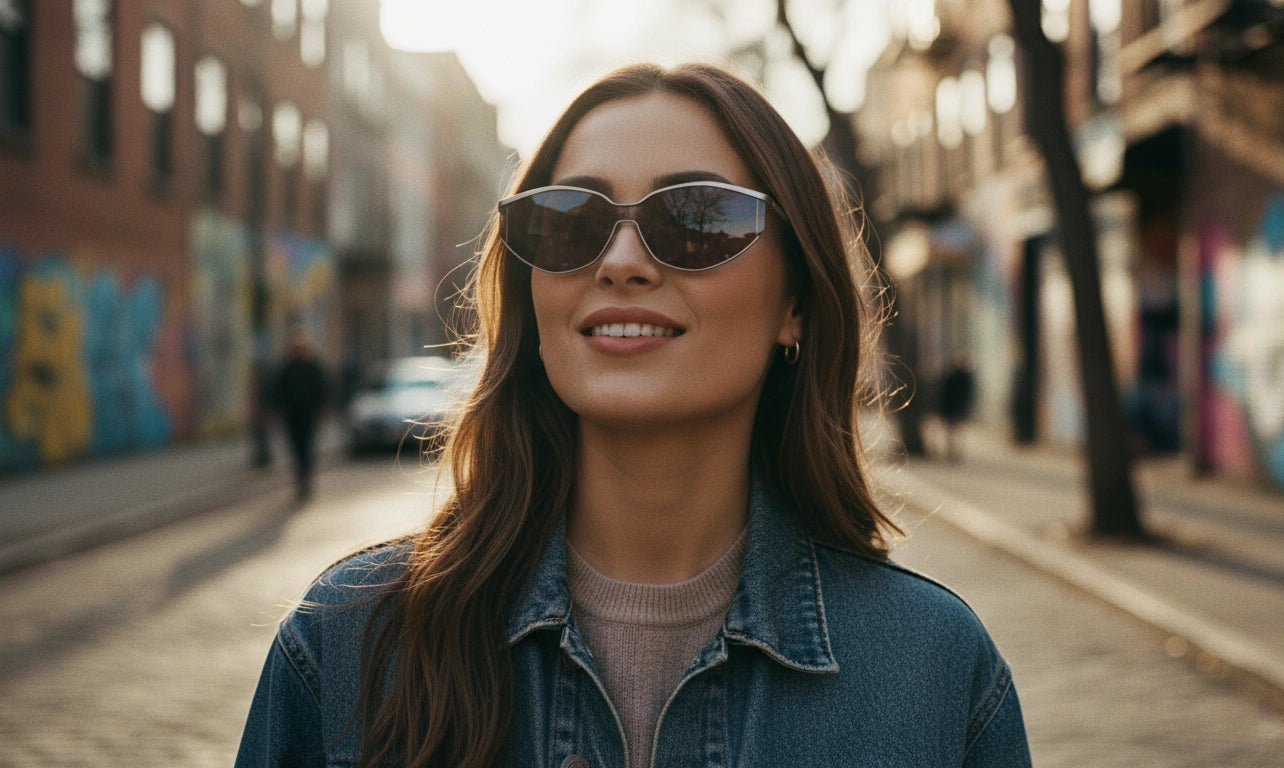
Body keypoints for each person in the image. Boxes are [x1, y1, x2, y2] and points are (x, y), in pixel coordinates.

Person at [235, 63, 1030, 767]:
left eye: (694, 218)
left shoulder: (932, 671)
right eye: (571, 220)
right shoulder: (347, 646)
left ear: (795, 301)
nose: (618, 261)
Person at [271, 327, 326, 500]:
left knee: (306, 448)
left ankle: (305, 480)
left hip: (307, 415)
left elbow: (322, 389)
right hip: (292, 415)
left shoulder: (312, 368)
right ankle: (301, 480)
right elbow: (278, 391)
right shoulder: (287, 369)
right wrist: (278, 410)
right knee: (296, 449)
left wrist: (321, 408)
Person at [938, 352, 976, 462]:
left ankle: (956, 452)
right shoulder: (956, 377)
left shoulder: (963, 377)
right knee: (952, 432)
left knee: (956, 432)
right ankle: (952, 452)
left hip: (956, 408)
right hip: (952, 408)